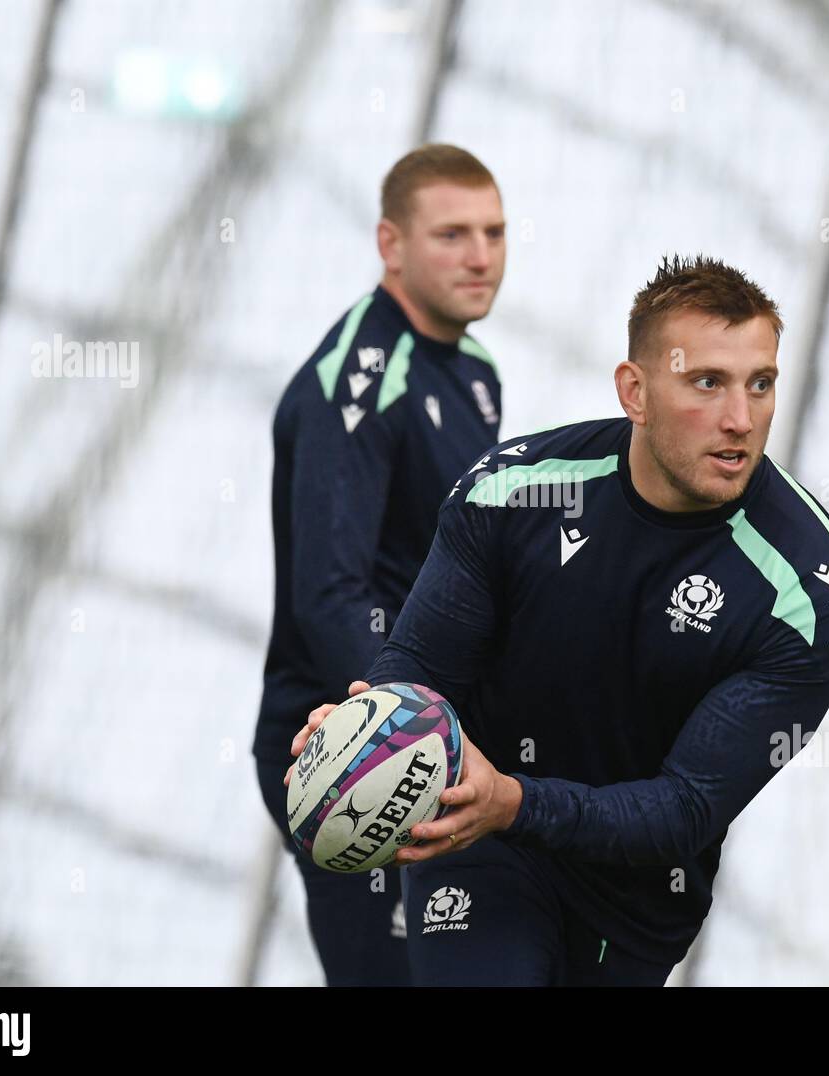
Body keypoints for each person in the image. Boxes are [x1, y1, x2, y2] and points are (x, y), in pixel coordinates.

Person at [289, 254, 829, 986]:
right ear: (635, 390)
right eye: (707, 383)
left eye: (760, 384)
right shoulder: (509, 495)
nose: (740, 419)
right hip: (476, 840)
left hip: (632, 902)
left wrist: (518, 802)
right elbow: (421, 668)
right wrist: (365, 721)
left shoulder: (805, 603)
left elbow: (684, 806)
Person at [254, 144, 506, 986]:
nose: (480, 256)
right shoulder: (356, 382)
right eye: (452, 235)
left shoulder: (475, 375)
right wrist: (415, 734)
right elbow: (331, 594)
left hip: (439, 744)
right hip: (352, 745)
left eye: (495, 232)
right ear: (390, 245)